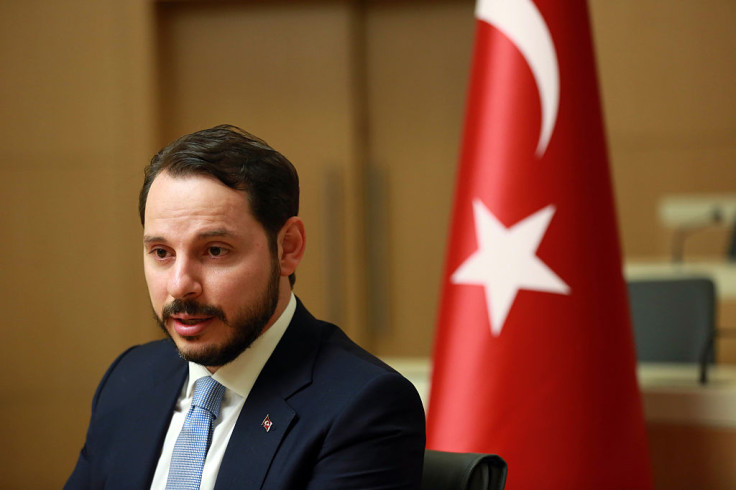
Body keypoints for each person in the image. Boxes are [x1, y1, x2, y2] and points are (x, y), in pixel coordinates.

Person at [65, 124, 426, 489]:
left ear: (287, 248)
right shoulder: (129, 380)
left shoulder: (363, 406)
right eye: (161, 253)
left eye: (215, 251)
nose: (179, 285)